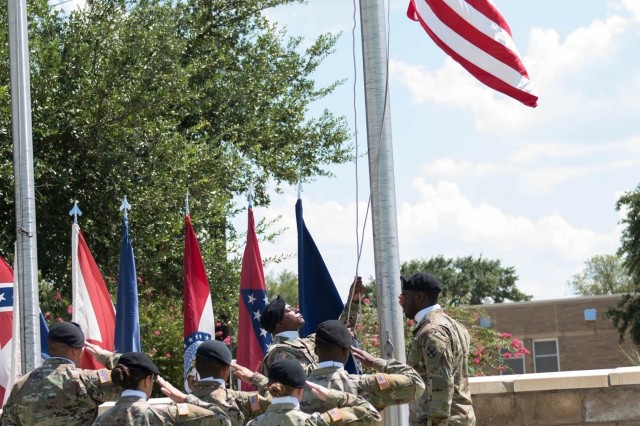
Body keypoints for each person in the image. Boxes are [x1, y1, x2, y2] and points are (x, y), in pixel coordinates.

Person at [1, 321, 121, 425]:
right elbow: (135, 373)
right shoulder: (85, 380)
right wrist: (105, 356)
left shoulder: (21, 386)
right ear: (75, 350)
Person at [399, 272, 476, 426]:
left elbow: (441, 388)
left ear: (420, 297)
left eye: (405, 295)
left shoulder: (432, 332)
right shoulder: (452, 325)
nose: (401, 300)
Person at [260, 277, 365, 376]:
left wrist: (353, 300)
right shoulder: (278, 353)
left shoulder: (307, 341)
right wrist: (331, 359)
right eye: (290, 310)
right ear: (279, 323)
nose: (297, 310)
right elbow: (301, 376)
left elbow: (338, 329)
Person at [93, 352, 231, 425]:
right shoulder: (167, 414)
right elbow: (222, 420)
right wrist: (185, 398)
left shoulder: (101, 421)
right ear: (148, 380)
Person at [158, 340, 269, 425]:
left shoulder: (180, 405)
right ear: (226, 369)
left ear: (196, 367)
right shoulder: (242, 400)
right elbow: (277, 401)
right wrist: (255, 378)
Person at [246, 359, 381, 425]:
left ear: (269, 386)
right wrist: (332, 395)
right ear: (300, 391)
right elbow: (371, 414)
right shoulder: (316, 422)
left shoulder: (252, 424)